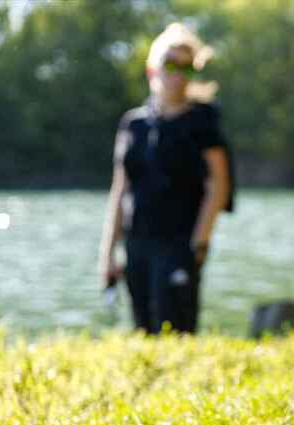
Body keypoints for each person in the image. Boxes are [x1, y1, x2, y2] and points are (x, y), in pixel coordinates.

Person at [98, 23, 233, 334]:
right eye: (170, 64)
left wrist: (198, 245)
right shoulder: (133, 125)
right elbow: (120, 190)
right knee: (144, 328)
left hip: (179, 243)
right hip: (137, 242)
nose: (178, 73)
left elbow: (218, 186)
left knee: (176, 329)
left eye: (187, 67)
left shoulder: (203, 121)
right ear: (151, 70)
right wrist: (107, 254)